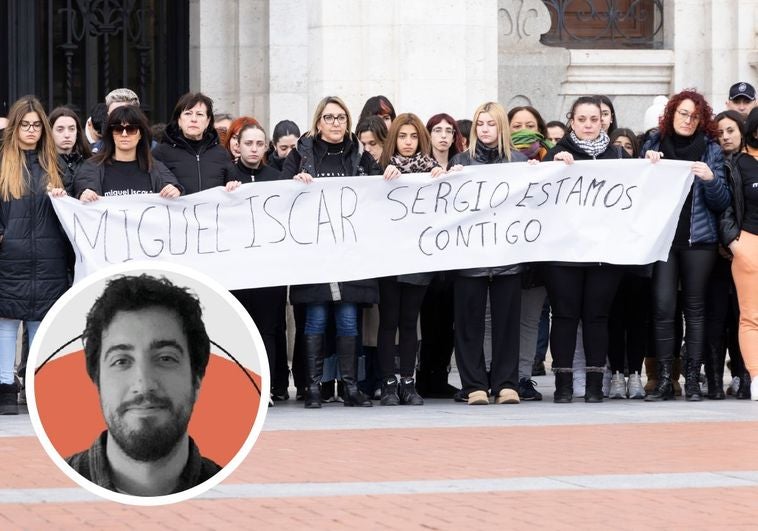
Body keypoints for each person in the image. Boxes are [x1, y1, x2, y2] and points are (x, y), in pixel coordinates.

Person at [66, 274, 222, 495]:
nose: (144, 384)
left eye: (165, 358)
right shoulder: (50, 490)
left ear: (196, 379)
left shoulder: (236, 493)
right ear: (97, 380)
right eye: (121, 361)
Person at [283, 96, 382, 408]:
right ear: (318, 122)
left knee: (349, 320)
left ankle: (351, 387)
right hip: (313, 252)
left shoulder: (360, 154)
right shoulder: (301, 155)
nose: (336, 123)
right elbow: (278, 192)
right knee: (314, 318)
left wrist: (388, 173)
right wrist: (294, 182)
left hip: (349, 252)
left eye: (341, 117)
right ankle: (313, 388)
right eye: (329, 118)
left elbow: (379, 190)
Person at [642, 89, 731, 402]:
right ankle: (665, 379)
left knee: (695, 310)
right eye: (683, 113)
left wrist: (710, 179)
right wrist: (647, 165)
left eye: (694, 116)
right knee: (663, 307)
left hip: (699, 241)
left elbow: (721, 202)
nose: (688, 120)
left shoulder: (710, 150)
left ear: (701, 119)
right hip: (664, 241)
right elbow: (639, 194)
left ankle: (693, 379)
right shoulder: (653, 144)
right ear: (671, 113)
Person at [542, 96, 628, 403]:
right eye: (582, 119)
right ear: (572, 121)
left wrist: (654, 163)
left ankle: (594, 384)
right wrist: (551, 168)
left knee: (596, 317)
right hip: (564, 254)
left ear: (603, 121)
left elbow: (639, 189)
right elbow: (539, 193)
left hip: (603, 253)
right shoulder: (557, 153)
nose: (589, 125)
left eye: (594, 119)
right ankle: (563, 384)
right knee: (564, 316)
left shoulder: (618, 155)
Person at [449, 101, 527, 406]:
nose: (484, 129)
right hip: (471, 257)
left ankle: (506, 383)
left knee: (507, 325)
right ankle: (474, 385)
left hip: (507, 256)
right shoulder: (461, 162)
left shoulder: (519, 162)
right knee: (468, 324)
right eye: (480, 124)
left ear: (501, 127)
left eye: (491, 124)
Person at [0, 96, 70, 415]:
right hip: (9, 255)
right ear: (15, 127)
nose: (31, 131)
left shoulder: (56, 165)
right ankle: (4, 386)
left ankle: (36, 383)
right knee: (7, 321)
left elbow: (74, 212)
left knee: (41, 321)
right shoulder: (2, 163)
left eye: (37, 125)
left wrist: (64, 196)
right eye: (25, 125)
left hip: (48, 257)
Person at [376, 113, 446, 406]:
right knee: (388, 320)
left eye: (413, 136)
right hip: (388, 258)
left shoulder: (433, 170)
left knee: (409, 320)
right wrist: (383, 178)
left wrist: (442, 179)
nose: (407, 142)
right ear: (394, 138)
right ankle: (388, 383)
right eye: (402, 136)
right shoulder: (379, 168)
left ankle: (408, 381)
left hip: (418, 257)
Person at [414, 113, 465, 399]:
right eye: (437, 130)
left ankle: (440, 374)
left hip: (454, 255)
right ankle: (423, 376)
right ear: (429, 134)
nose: (443, 136)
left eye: (449, 130)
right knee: (427, 318)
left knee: (447, 321)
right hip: (425, 254)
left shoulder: (463, 166)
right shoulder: (419, 167)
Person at [507, 105, 552, 401]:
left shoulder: (553, 160)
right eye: (516, 125)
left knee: (528, 321)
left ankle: (523, 377)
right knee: (494, 319)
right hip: (503, 254)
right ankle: (494, 373)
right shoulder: (498, 161)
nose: (523, 129)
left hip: (537, 254)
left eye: (529, 124)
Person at [720, 107, 758, 400]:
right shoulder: (738, 164)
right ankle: (756, 376)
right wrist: (734, 242)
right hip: (750, 243)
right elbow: (726, 206)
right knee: (751, 317)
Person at [710, 110, 749, 398]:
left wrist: (735, 241)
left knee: (743, 316)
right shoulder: (711, 161)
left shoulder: (748, 164)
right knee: (716, 317)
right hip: (713, 253)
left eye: (730, 130)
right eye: (720, 132)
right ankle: (713, 379)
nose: (725, 136)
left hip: (743, 250)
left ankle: (743, 375)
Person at [74, 105, 182, 201]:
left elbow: (174, 189)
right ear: (111, 134)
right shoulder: (92, 167)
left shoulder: (157, 169)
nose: (124, 134)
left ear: (141, 134)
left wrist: (175, 190)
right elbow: (82, 188)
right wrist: (83, 193)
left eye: (131, 129)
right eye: (118, 129)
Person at [152, 92, 236, 195]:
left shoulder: (221, 153)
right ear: (179, 120)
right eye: (188, 113)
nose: (194, 119)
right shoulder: (161, 153)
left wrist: (233, 186)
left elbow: (233, 186)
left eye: (200, 114)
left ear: (208, 121)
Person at [48, 106, 92, 195]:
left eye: (72, 129)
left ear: (77, 132)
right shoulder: (42, 163)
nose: (67, 135)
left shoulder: (90, 162)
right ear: (50, 132)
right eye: (60, 130)